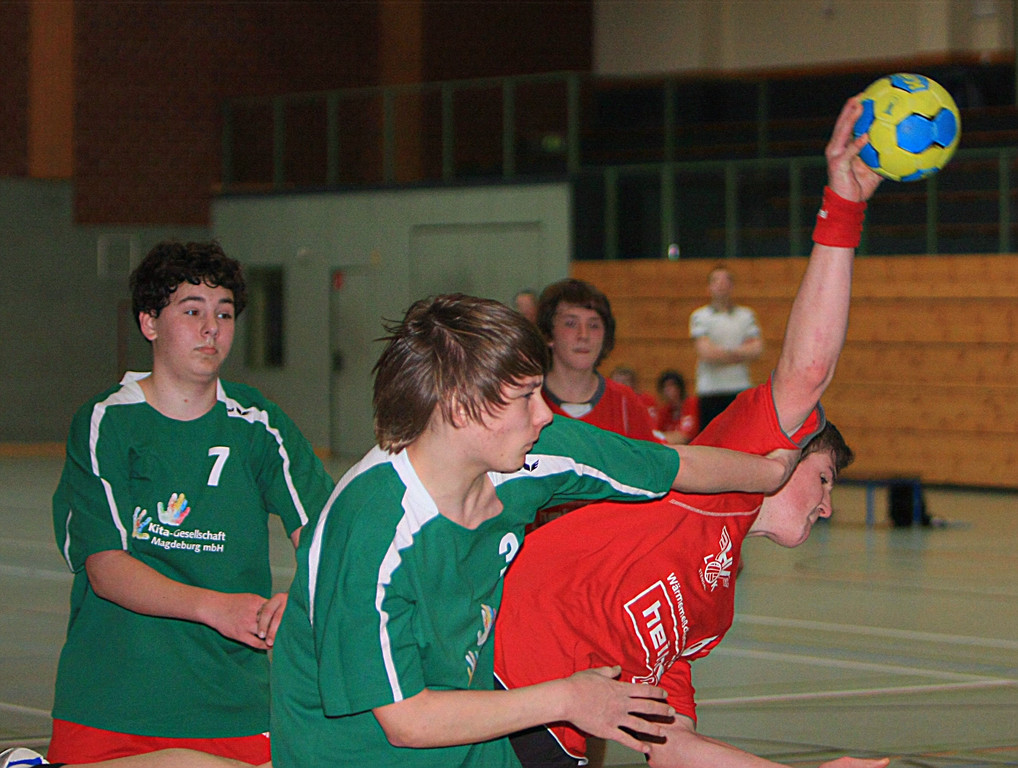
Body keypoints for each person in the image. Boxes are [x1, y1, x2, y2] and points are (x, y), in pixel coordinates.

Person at [494, 97, 889, 768]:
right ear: (782, 453)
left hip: (554, 727)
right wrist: (843, 207)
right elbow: (808, 369)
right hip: (496, 680)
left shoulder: (712, 608)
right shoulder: (717, 484)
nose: (827, 506)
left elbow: (670, 745)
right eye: (823, 479)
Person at [268, 293, 798, 768]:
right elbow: (407, 721)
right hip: (359, 753)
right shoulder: (372, 530)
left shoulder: (532, 453)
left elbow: (670, 466)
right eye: (525, 396)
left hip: (474, 746)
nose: (545, 414)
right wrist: (568, 698)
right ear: (460, 406)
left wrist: (771, 475)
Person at [49, 241, 335, 765]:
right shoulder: (106, 422)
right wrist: (216, 607)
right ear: (149, 323)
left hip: (235, 708)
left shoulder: (259, 424)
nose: (211, 329)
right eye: (192, 311)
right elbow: (106, 568)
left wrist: (298, 600)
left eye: (224, 314)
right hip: (113, 705)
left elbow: (329, 542)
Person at [537, 278, 657, 442]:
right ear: (548, 334)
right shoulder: (528, 401)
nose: (583, 335)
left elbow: (651, 457)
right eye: (571, 324)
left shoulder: (625, 404)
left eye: (593, 325)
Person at [689, 262, 763, 429]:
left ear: (732, 286)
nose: (721, 285)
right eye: (716, 280)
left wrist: (721, 354)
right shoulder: (700, 316)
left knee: (742, 438)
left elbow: (756, 349)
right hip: (711, 391)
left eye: (726, 280)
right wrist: (739, 353)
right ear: (709, 287)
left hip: (740, 389)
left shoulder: (746, 315)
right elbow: (706, 353)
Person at [655, 369, 700, 445]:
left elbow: (685, 437)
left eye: (671, 385)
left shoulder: (691, 404)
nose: (667, 390)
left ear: (680, 388)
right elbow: (656, 434)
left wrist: (662, 436)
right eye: (664, 387)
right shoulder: (665, 411)